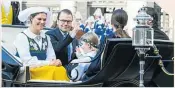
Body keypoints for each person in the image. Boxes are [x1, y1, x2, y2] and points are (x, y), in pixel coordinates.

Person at [14, 7, 69, 81]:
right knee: (56, 71)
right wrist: (49, 63)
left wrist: (54, 62)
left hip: (44, 70)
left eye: (44, 19)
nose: (42, 22)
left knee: (61, 69)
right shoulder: (22, 37)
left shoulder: (46, 37)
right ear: (31, 19)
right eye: (39, 19)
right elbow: (28, 62)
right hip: (28, 72)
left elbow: (51, 57)